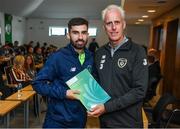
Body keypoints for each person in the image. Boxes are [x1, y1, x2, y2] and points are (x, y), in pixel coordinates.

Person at [88, 5, 148, 128]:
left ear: (124, 24)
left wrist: (107, 107)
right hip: (105, 120)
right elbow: (95, 83)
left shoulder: (137, 51)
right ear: (104, 27)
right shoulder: (100, 53)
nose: (113, 27)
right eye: (109, 23)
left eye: (117, 22)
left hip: (128, 123)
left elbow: (139, 91)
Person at [32, 17, 94, 128]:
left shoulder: (91, 57)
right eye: (75, 33)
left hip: (80, 120)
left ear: (88, 35)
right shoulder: (57, 57)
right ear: (68, 35)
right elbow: (37, 84)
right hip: (57, 121)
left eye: (83, 33)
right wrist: (64, 93)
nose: (80, 37)